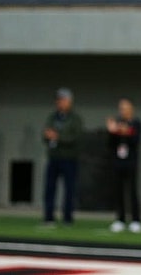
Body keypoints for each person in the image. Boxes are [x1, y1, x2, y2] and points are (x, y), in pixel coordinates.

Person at [42, 87, 84, 226]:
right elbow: (45, 134)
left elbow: (76, 137)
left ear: (69, 101)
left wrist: (58, 137)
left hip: (69, 159)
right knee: (49, 188)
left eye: (63, 100)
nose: (60, 103)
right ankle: (49, 217)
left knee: (69, 189)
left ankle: (67, 217)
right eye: (59, 100)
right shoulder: (52, 117)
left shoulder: (75, 119)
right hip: (54, 157)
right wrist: (48, 136)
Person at [106, 98, 141, 234]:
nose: (123, 111)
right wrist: (113, 131)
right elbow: (110, 144)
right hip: (118, 162)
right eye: (121, 109)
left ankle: (136, 220)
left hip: (131, 162)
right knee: (118, 191)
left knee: (132, 191)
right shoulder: (117, 124)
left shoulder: (136, 123)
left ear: (131, 110)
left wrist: (124, 131)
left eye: (125, 108)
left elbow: (136, 140)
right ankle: (120, 219)